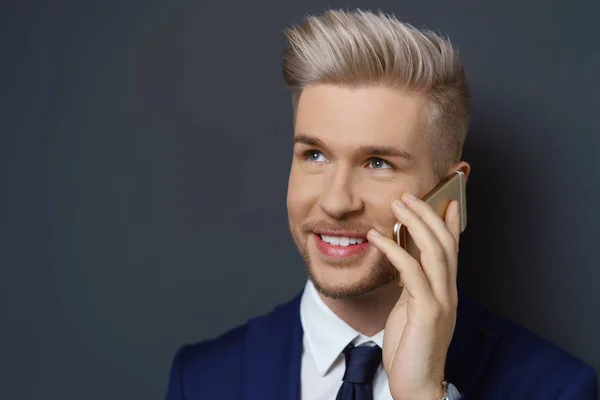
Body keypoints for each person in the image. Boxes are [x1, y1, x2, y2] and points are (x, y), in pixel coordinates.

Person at [164, 9, 597, 400]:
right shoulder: (202, 379)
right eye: (314, 155)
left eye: (378, 163)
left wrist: (425, 395)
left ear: (451, 192)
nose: (336, 202)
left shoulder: (559, 388)